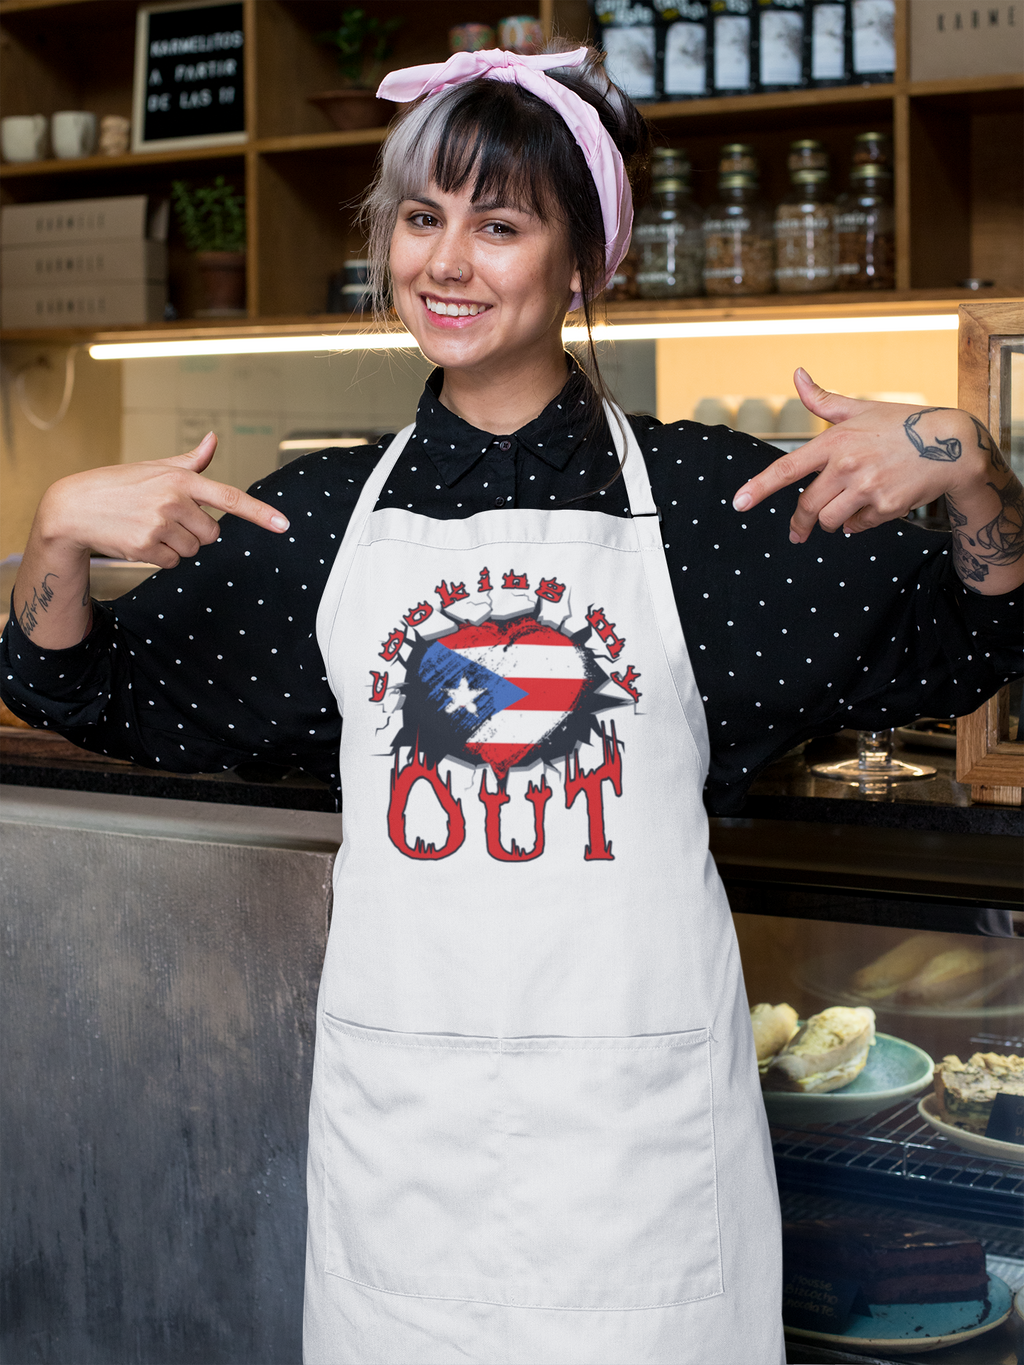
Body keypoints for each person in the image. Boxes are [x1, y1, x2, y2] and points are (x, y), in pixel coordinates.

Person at [2, 45, 1021, 1365]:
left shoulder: (718, 508)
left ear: (585, 261)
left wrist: (968, 465)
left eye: (500, 224)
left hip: (639, 1147)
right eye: (422, 217)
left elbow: (971, 636)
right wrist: (55, 537)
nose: (447, 261)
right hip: (406, 1138)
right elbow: (86, 685)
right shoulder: (312, 519)